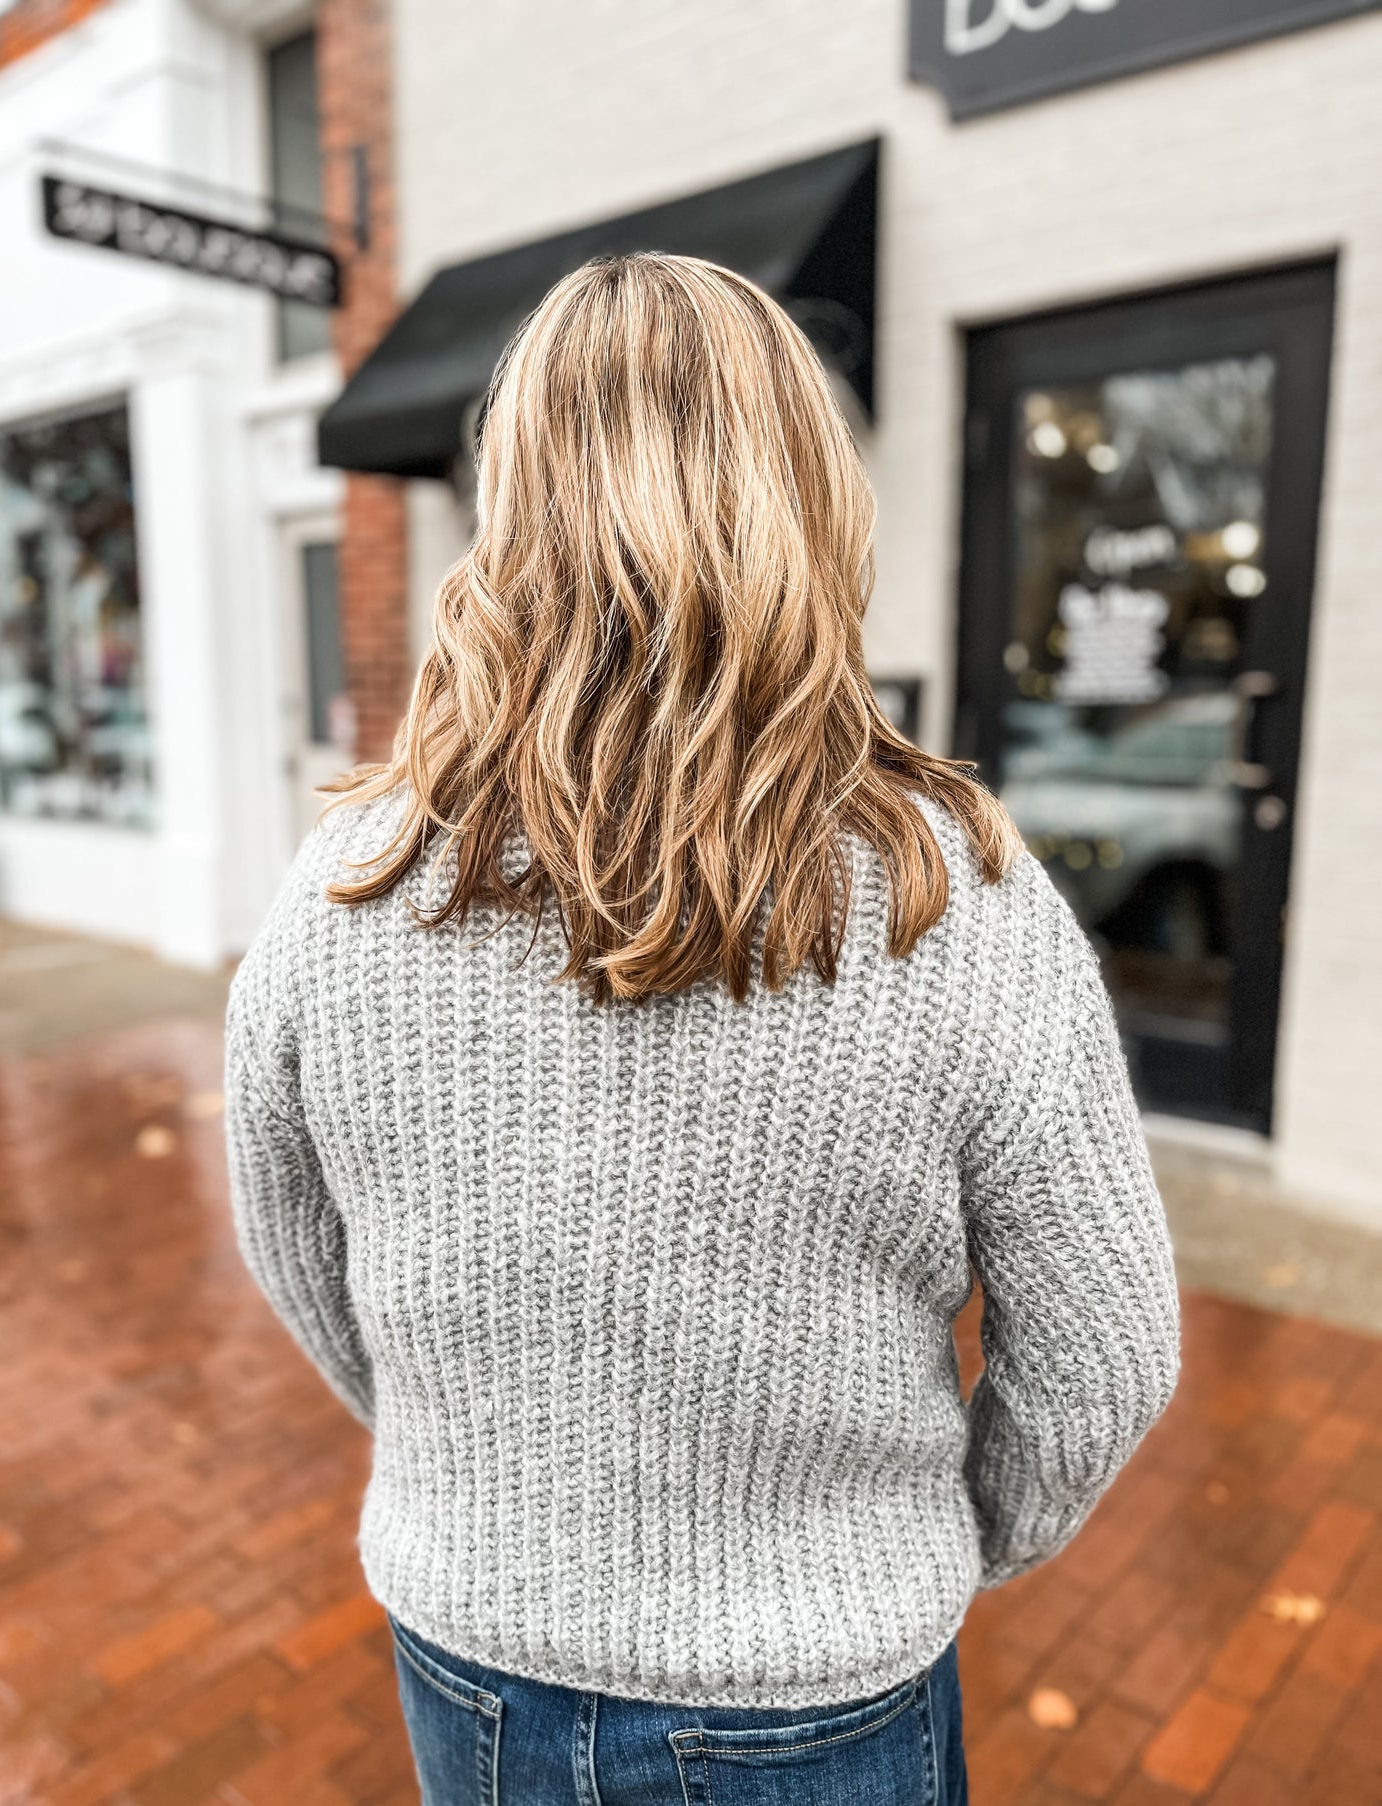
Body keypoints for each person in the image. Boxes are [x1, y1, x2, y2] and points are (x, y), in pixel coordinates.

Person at [224, 252, 1181, 1806]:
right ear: (809, 495)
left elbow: (295, 1254)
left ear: (509, 500)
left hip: (468, 1654)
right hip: (816, 1691)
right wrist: (919, 1541)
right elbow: (1102, 1360)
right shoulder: (956, 896)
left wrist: (480, 1468)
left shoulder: (347, 882)